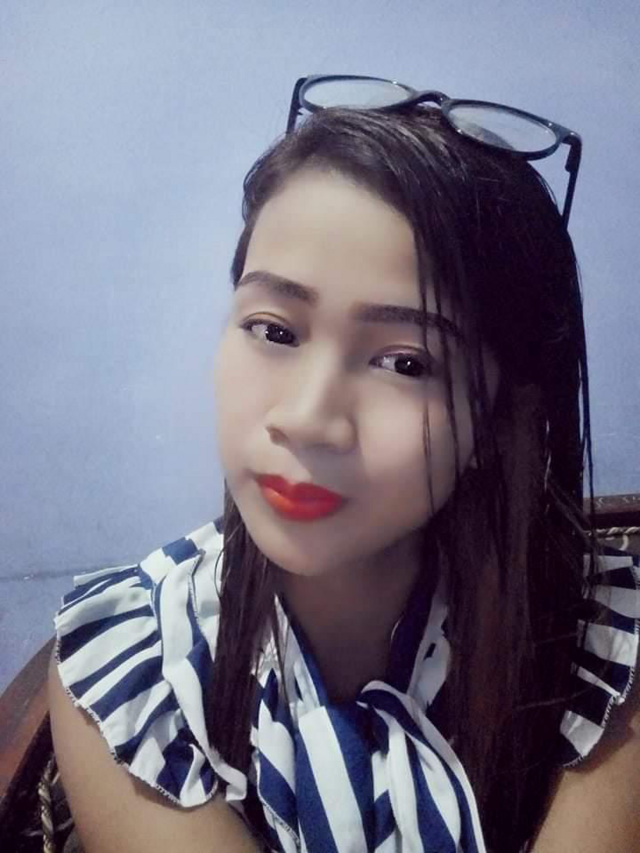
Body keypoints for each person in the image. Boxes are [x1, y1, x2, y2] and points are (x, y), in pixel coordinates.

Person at [48, 76, 640, 853]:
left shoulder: (602, 643)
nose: (307, 418)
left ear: (500, 417)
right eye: (275, 330)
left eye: (405, 362)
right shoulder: (136, 669)